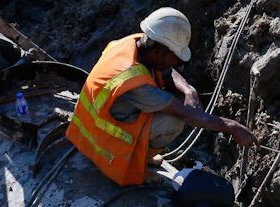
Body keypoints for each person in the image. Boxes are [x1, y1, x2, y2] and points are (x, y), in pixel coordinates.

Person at [66, 7, 257, 186]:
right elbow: (182, 113)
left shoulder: (136, 43)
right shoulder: (134, 82)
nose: (176, 62)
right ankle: (139, 168)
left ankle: (144, 155)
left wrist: (188, 90)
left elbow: (167, 72)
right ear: (158, 51)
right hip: (102, 145)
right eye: (173, 56)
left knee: (169, 110)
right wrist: (232, 127)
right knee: (172, 123)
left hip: (95, 124)